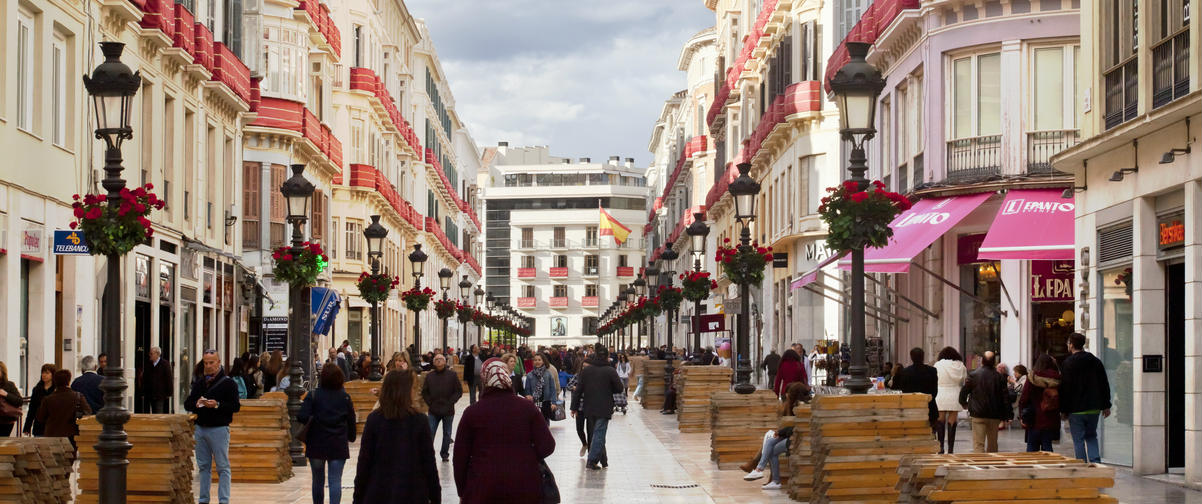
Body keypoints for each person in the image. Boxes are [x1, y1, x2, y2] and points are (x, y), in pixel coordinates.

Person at [453, 358, 555, 503]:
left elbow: (460, 457)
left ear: (485, 380)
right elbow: (547, 446)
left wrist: (462, 490)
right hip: (524, 485)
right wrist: (526, 456)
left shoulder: (472, 412)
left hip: (482, 486)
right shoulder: (527, 408)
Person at [354, 369, 440, 503]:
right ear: (403, 391)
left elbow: (364, 463)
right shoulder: (419, 420)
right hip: (412, 493)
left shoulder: (374, 419)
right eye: (413, 388)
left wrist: (358, 497)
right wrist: (435, 497)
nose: (415, 392)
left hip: (379, 493)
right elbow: (428, 462)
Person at [185, 350, 242, 504]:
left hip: (219, 429)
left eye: (211, 362)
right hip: (200, 428)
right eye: (205, 363)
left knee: (223, 467)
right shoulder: (200, 383)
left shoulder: (228, 383)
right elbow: (187, 403)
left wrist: (217, 405)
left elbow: (235, 406)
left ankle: (224, 500)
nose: (208, 366)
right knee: (203, 466)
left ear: (218, 362)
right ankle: (203, 499)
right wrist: (196, 404)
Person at [299, 363, 357, 504]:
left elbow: (301, 416)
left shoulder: (313, 395)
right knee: (335, 480)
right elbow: (351, 419)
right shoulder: (345, 397)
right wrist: (351, 437)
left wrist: (314, 419)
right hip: (337, 443)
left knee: (317, 480)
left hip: (316, 443)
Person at [743, 382, 807, 489]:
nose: (787, 395)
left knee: (772, 448)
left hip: (796, 439)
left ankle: (765, 473)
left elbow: (795, 427)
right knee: (769, 440)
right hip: (791, 436)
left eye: (789, 393)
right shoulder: (794, 405)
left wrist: (780, 432)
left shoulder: (800, 407)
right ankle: (759, 469)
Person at [1059, 332, 1111, 463]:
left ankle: (1082, 465)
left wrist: (1063, 410)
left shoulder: (1067, 363)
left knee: (1078, 440)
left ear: (1071, 345)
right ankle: (1096, 464)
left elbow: (1065, 389)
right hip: (1094, 407)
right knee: (1092, 436)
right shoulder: (1095, 361)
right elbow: (1104, 384)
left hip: (1075, 409)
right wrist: (1106, 405)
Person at [573, 344, 623, 470]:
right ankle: (592, 460)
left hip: (589, 407)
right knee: (599, 433)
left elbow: (578, 390)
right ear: (607, 357)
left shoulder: (587, 371)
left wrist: (574, 407)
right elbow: (619, 388)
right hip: (604, 407)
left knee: (596, 433)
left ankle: (604, 461)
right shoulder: (610, 371)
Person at [958, 351, 1010, 453]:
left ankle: (979, 465)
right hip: (994, 415)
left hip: (978, 414)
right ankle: (992, 465)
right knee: (993, 444)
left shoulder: (973, 375)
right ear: (994, 362)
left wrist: (964, 403)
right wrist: (1007, 414)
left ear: (982, 361)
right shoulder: (999, 377)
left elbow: (964, 391)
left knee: (978, 444)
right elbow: (1005, 397)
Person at [420, 354, 462, 461]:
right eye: (436, 360)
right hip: (434, 410)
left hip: (448, 410)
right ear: (433, 362)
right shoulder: (430, 376)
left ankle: (444, 454)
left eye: (441, 359)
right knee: (430, 432)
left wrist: (451, 402)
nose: (439, 361)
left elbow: (458, 391)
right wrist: (430, 403)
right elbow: (425, 392)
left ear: (445, 362)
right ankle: (428, 453)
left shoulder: (452, 375)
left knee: (447, 433)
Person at [35, 370, 90, 451]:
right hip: (71, 435)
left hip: (52, 435)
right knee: (70, 460)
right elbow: (88, 413)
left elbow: (40, 417)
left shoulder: (48, 399)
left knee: (54, 461)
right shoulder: (78, 397)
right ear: (68, 381)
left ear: (55, 381)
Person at [891, 348, 939, 435]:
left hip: (911, 407)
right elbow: (935, 391)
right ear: (923, 357)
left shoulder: (905, 372)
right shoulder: (932, 371)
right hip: (929, 407)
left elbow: (899, 388)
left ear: (911, 357)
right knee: (930, 433)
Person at [1019, 354, 1061, 452]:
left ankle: (1032, 466)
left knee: (1032, 448)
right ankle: (1049, 467)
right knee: (1047, 447)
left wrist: (1022, 415)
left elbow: (1024, 398)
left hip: (1034, 418)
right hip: (1050, 418)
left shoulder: (1032, 377)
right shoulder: (1057, 378)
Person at [933, 347, 967, 454]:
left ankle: (941, 447)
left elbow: (935, 377)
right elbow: (963, 379)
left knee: (940, 420)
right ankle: (951, 449)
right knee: (952, 420)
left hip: (941, 393)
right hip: (955, 393)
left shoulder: (938, 365)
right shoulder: (961, 365)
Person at [524, 353, 559, 425]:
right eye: (535, 360)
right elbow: (527, 390)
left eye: (539, 360)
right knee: (534, 423)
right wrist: (528, 396)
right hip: (534, 403)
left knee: (545, 424)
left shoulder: (548, 374)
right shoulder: (530, 375)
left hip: (546, 402)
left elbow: (553, 389)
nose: (537, 361)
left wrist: (554, 402)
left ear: (543, 361)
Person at [23, 364, 57, 436]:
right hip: (39, 425)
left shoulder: (57, 389)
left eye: (47, 373)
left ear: (53, 375)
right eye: (43, 372)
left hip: (53, 425)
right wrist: (27, 427)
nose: (44, 375)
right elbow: (32, 409)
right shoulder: (37, 389)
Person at [139, 346, 173, 413]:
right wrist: (142, 392)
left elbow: (169, 379)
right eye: (150, 353)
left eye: (151, 354)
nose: (150, 355)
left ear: (157, 354)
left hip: (159, 395)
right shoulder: (148, 364)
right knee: (147, 415)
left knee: (158, 413)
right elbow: (144, 379)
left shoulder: (165, 364)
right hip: (149, 394)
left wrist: (169, 393)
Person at [0, 361, 22, 436]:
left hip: (6, 421)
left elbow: (19, 401)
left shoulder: (9, 385)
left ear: (2, 372)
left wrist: (6, 394)